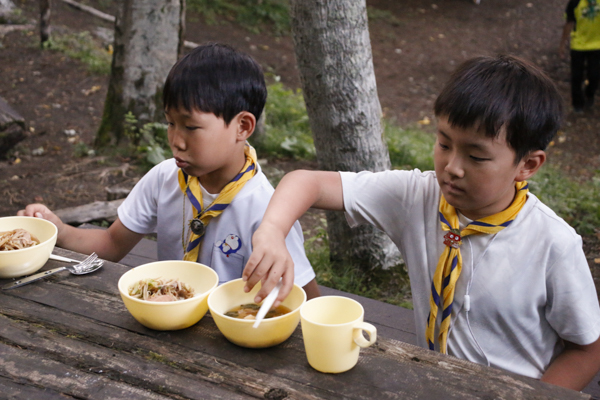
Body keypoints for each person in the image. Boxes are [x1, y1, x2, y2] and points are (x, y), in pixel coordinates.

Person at [243, 55, 600, 390]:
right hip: (432, 383)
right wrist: (272, 230)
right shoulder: (418, 196)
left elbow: (587, 349)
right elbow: (307, 182)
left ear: (528, 165)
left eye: (476, 156)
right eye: (444, 144)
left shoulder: (553, 243)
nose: (452, 167)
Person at [18, 43, 320, 299]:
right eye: (170, 123)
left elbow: (306, 296)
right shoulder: (165, 178)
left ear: (242, 127)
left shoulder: (267, 211)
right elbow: (111, 245)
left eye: (190, 127)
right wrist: (56, 229)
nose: (176, 140)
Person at [558, 0, 600, 113]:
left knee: (594, 75)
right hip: (578, 45)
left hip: (597, 45)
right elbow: (569, 23)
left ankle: (589, 94)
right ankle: (577, 103)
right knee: (576, 76)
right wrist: (562, 44)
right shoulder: (575, 2)